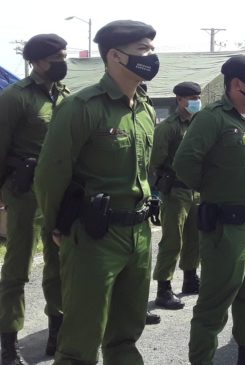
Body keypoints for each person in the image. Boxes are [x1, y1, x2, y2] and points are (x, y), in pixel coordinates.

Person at [34, 20, 159, 364]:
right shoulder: (82, 106)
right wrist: (56, 227)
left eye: (151, 49)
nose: (151, 56)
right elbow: (50, 175)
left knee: (126, 334)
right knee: (81, 339)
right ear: (116, 56)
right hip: (94, 236)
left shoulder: (145, 109)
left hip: (139, 233)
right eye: (143, 50)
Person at [173, 55, 245, 365]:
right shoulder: (212, 117)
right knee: (213, 307)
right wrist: (214, 189)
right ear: (237, 83)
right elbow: (184, 164)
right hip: (226, 229)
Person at [0, 33, 69, 363]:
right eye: (57, 57)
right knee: (17, 267)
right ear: (38, 61)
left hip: (57, 194)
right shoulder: (15, 97)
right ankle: (9, 340)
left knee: (58, 264)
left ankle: (57, 330)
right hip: (24, 194)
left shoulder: (66, 97)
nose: (62, 63)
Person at [150, 82, 202, 312]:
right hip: (175, 191)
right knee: (173, 240)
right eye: (191, 97)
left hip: (196, 190)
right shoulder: (168, 127)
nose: (196, 101)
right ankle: (164, 288)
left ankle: (190, 277)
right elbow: (155, 161)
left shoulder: (201, 123)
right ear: (179, 100)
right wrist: (156, 191)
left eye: (197, 97)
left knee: (195, 237)